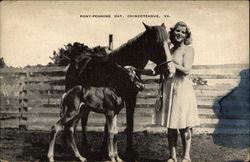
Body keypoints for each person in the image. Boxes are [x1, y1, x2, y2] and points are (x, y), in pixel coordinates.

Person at [159, 21, 200, 162]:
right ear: (173, 32)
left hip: (182, 89)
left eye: (183, 32)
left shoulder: (188, 50)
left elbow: (186, 70)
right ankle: (172, 156)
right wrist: (136, 70)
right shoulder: (169, 51)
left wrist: (170, 62)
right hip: (169, 89)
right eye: (177, 31)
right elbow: (157, 69)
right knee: (171, 126)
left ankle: (186, 157)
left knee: (183, 125)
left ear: (186, 35)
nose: (180, 34)